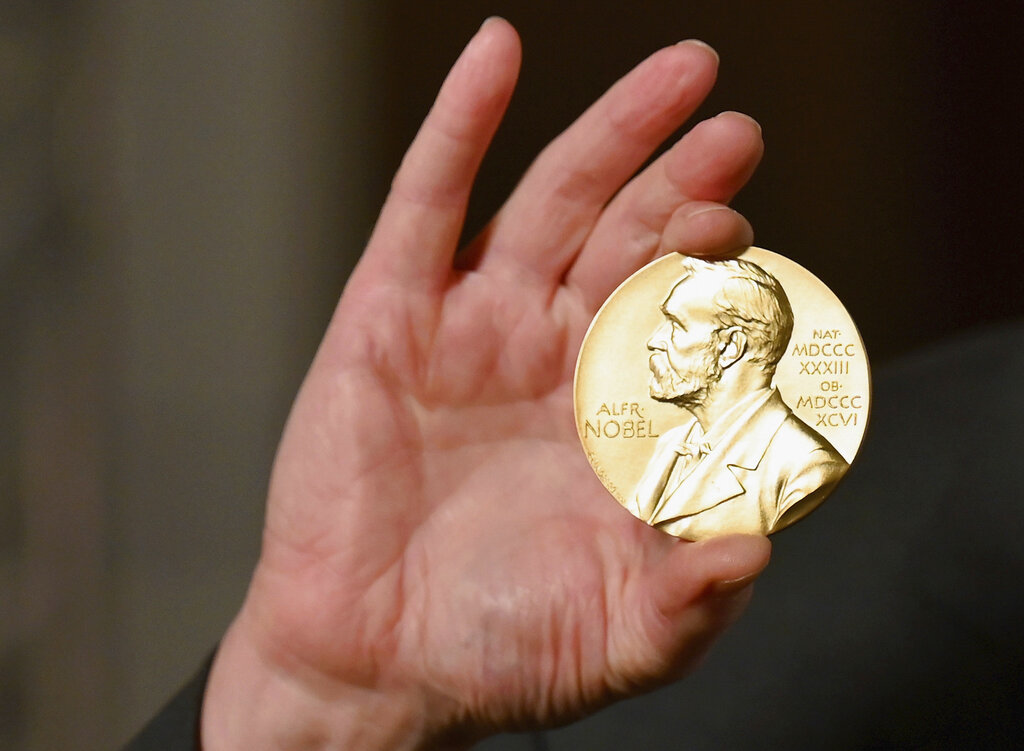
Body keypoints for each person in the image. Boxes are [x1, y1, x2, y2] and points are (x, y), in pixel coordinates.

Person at [633, 256, 847, 538]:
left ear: (730, 347)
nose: (654, 340)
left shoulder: (807, 469)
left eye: (675, 325)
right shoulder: (669, 446)